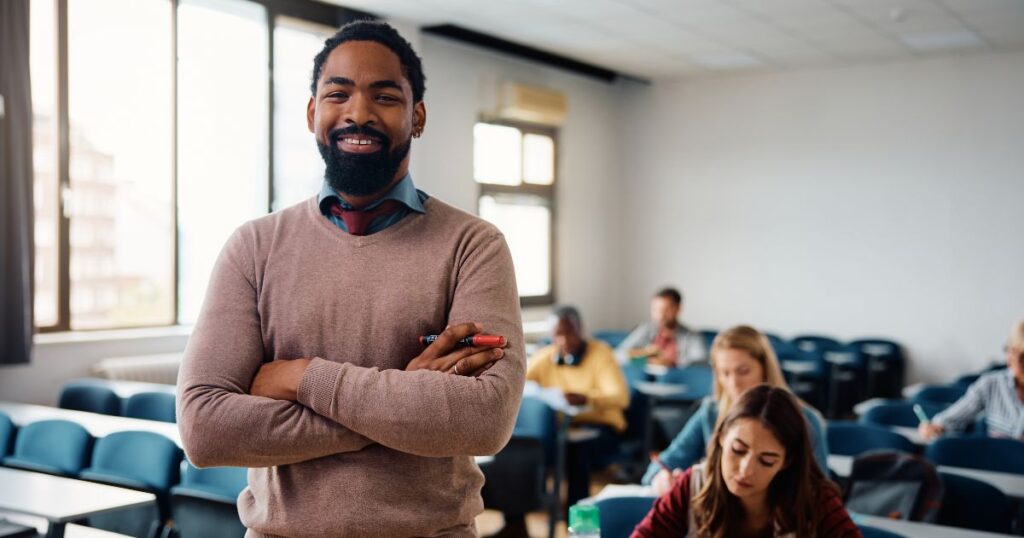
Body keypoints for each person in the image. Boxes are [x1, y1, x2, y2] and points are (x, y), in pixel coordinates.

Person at [176, 20, 525, 538]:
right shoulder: (254, 247)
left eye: (384, 96)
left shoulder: (474, 246)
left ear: (417, 116)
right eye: (338, 94)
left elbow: (484, 420)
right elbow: (205, 430)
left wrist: (301, 378)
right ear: (312, 113)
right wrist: (403, 401)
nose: (358, 113)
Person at [632, 385, 860, 538]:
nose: (746, 470)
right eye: (738, 450)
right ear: (721, 438)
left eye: (767, 461)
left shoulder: (815, 500)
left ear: (786, 461)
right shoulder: (693, 486)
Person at [643, 325, 828, 495]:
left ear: (764, 369)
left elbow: (819, 494)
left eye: (743, 371)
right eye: (725, 373)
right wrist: (661, 479)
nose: (734, 384)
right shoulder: (711, 412)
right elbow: (660, 466)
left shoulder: (807, 420)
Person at [527, 306, 630, 505]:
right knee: (527, 446)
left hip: (601, 428)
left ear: (580, 329)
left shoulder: (601, 354)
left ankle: (576, 512)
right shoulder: (545, 357)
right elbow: (522, 385)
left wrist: (586, 398)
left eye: (570, 333)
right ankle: (530, 505)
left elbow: (621, 397)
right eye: (558, 335)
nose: (564, 341)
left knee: (575, 450)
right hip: (561, 426)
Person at [919, 319, 1024, 441]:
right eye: (1011, 350)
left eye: (1023, 355)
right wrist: (934, 427)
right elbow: (951, 418)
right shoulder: (992, 383)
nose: (1015, 359)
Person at [616, 287, 706, 368]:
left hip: (675, 378)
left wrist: (672, 363)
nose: (660, 315)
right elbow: (618, 355)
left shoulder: (692, 336)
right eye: (655, 309)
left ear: (678, 308)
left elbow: (701, 361)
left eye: (665, 310)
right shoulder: (645, 329)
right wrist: (645, 360)